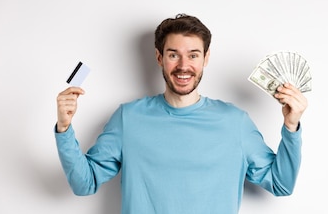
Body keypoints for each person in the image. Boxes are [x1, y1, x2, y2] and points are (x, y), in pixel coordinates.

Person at [54, 13, 308, 214]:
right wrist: (64, 129)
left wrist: (291, 126)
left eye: (193, 55)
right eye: (173, 55)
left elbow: (280, 184)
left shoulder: (235, 122)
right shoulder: (128, 118)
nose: (183, 66)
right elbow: (84, 184)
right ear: (159, 57)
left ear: (205, 58)